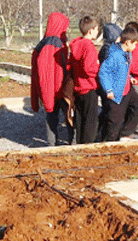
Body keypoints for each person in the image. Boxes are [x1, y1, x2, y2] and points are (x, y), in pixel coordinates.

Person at [31, 12, 74, 146]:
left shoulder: (43, 43)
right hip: (58, 89)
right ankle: (72, 142)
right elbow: (48, 73)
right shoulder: (52, 46)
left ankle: (52, 143)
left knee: (52, 118)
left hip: (51, 90)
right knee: (68, 116)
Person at [98, 26, 138, 142]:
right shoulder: (114, 55)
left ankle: (124, 134)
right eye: (134, 44)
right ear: (128, 43)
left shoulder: (127, 53)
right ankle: (108, 146)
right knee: (114, 123)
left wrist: (129, 77)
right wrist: (109, 90)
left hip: (127, 88)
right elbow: (104, 72)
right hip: (116, 93)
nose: (135, 47)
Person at [69, 16, 100, 144]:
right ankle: (87, 147)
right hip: (89, 87)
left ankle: (80, 144)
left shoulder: (76, 45)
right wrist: (98, 66)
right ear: (91, 30)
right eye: (97, 29)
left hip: (78, 87)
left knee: (80, 119)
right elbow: (89, 69)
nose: (98, 32)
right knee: (91, 122)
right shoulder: (89, 46)